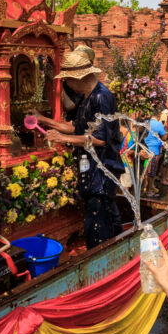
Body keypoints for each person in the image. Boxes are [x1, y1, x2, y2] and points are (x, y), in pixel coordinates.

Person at [34, 49, 124, 247]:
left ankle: (105, 255)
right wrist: (43, 120)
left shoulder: (101, 97)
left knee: (101, 224)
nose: (67, 84)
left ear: (80, 77)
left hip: (102, 171)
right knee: (97, 219)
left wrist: (63, 138)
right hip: (92, 170)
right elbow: (76, 127)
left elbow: (100, 139)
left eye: (68, 80)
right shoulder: (88, 97)